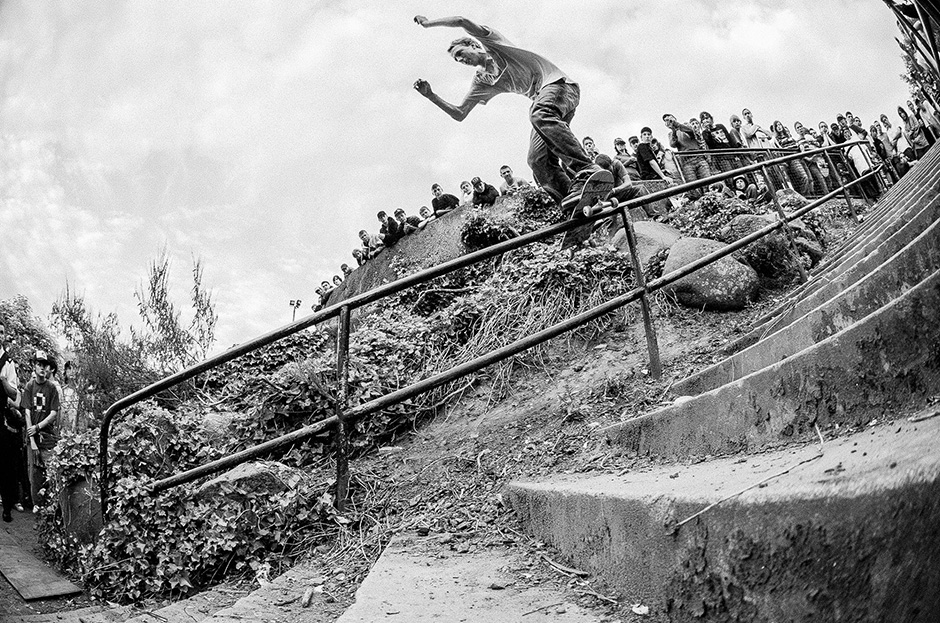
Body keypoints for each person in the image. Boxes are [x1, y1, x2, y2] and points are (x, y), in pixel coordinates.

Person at [413, 14, 598, 207]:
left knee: (538, 112)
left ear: (473, 45)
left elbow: (461, 21)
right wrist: (431, 96)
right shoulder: (481, 81)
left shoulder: (492, 43)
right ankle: (576, 201)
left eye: (460, 53)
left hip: (561, 87)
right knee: (536, 159)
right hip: (547, 110)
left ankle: (586, 169)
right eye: (456, 60)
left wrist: (427, 24)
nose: (460, 59)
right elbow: (460, 113)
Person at [23, 350, 61, 510]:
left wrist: (38, 426)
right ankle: (37, 506)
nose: (42, 368)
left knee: (51, 472)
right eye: (39, 364)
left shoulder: (52, 388)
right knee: (35, 474)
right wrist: (31, 439)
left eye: (44, 365)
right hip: (34, 439)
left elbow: (53, 413)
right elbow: (27, 411)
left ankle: (51, 506)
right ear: (34, 366)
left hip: (48, 437)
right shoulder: (29, 386)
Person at [0, 323, 22, 522]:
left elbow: (14, 393)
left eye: (1, 332)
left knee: (6, 465)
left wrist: (2, 380)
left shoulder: (8, 362)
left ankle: (7, 507)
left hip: (2, 418)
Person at [664, 113, 711, 195]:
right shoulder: (671, 134)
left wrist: (677, 125)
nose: (669, 121)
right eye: (666, 121)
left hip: (699, 158)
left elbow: (691, 131)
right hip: (686, 162)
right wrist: (674, 130)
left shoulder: (685, 126)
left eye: (670, 119)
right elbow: (673, 144)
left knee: (708, 183)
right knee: (694, 188)